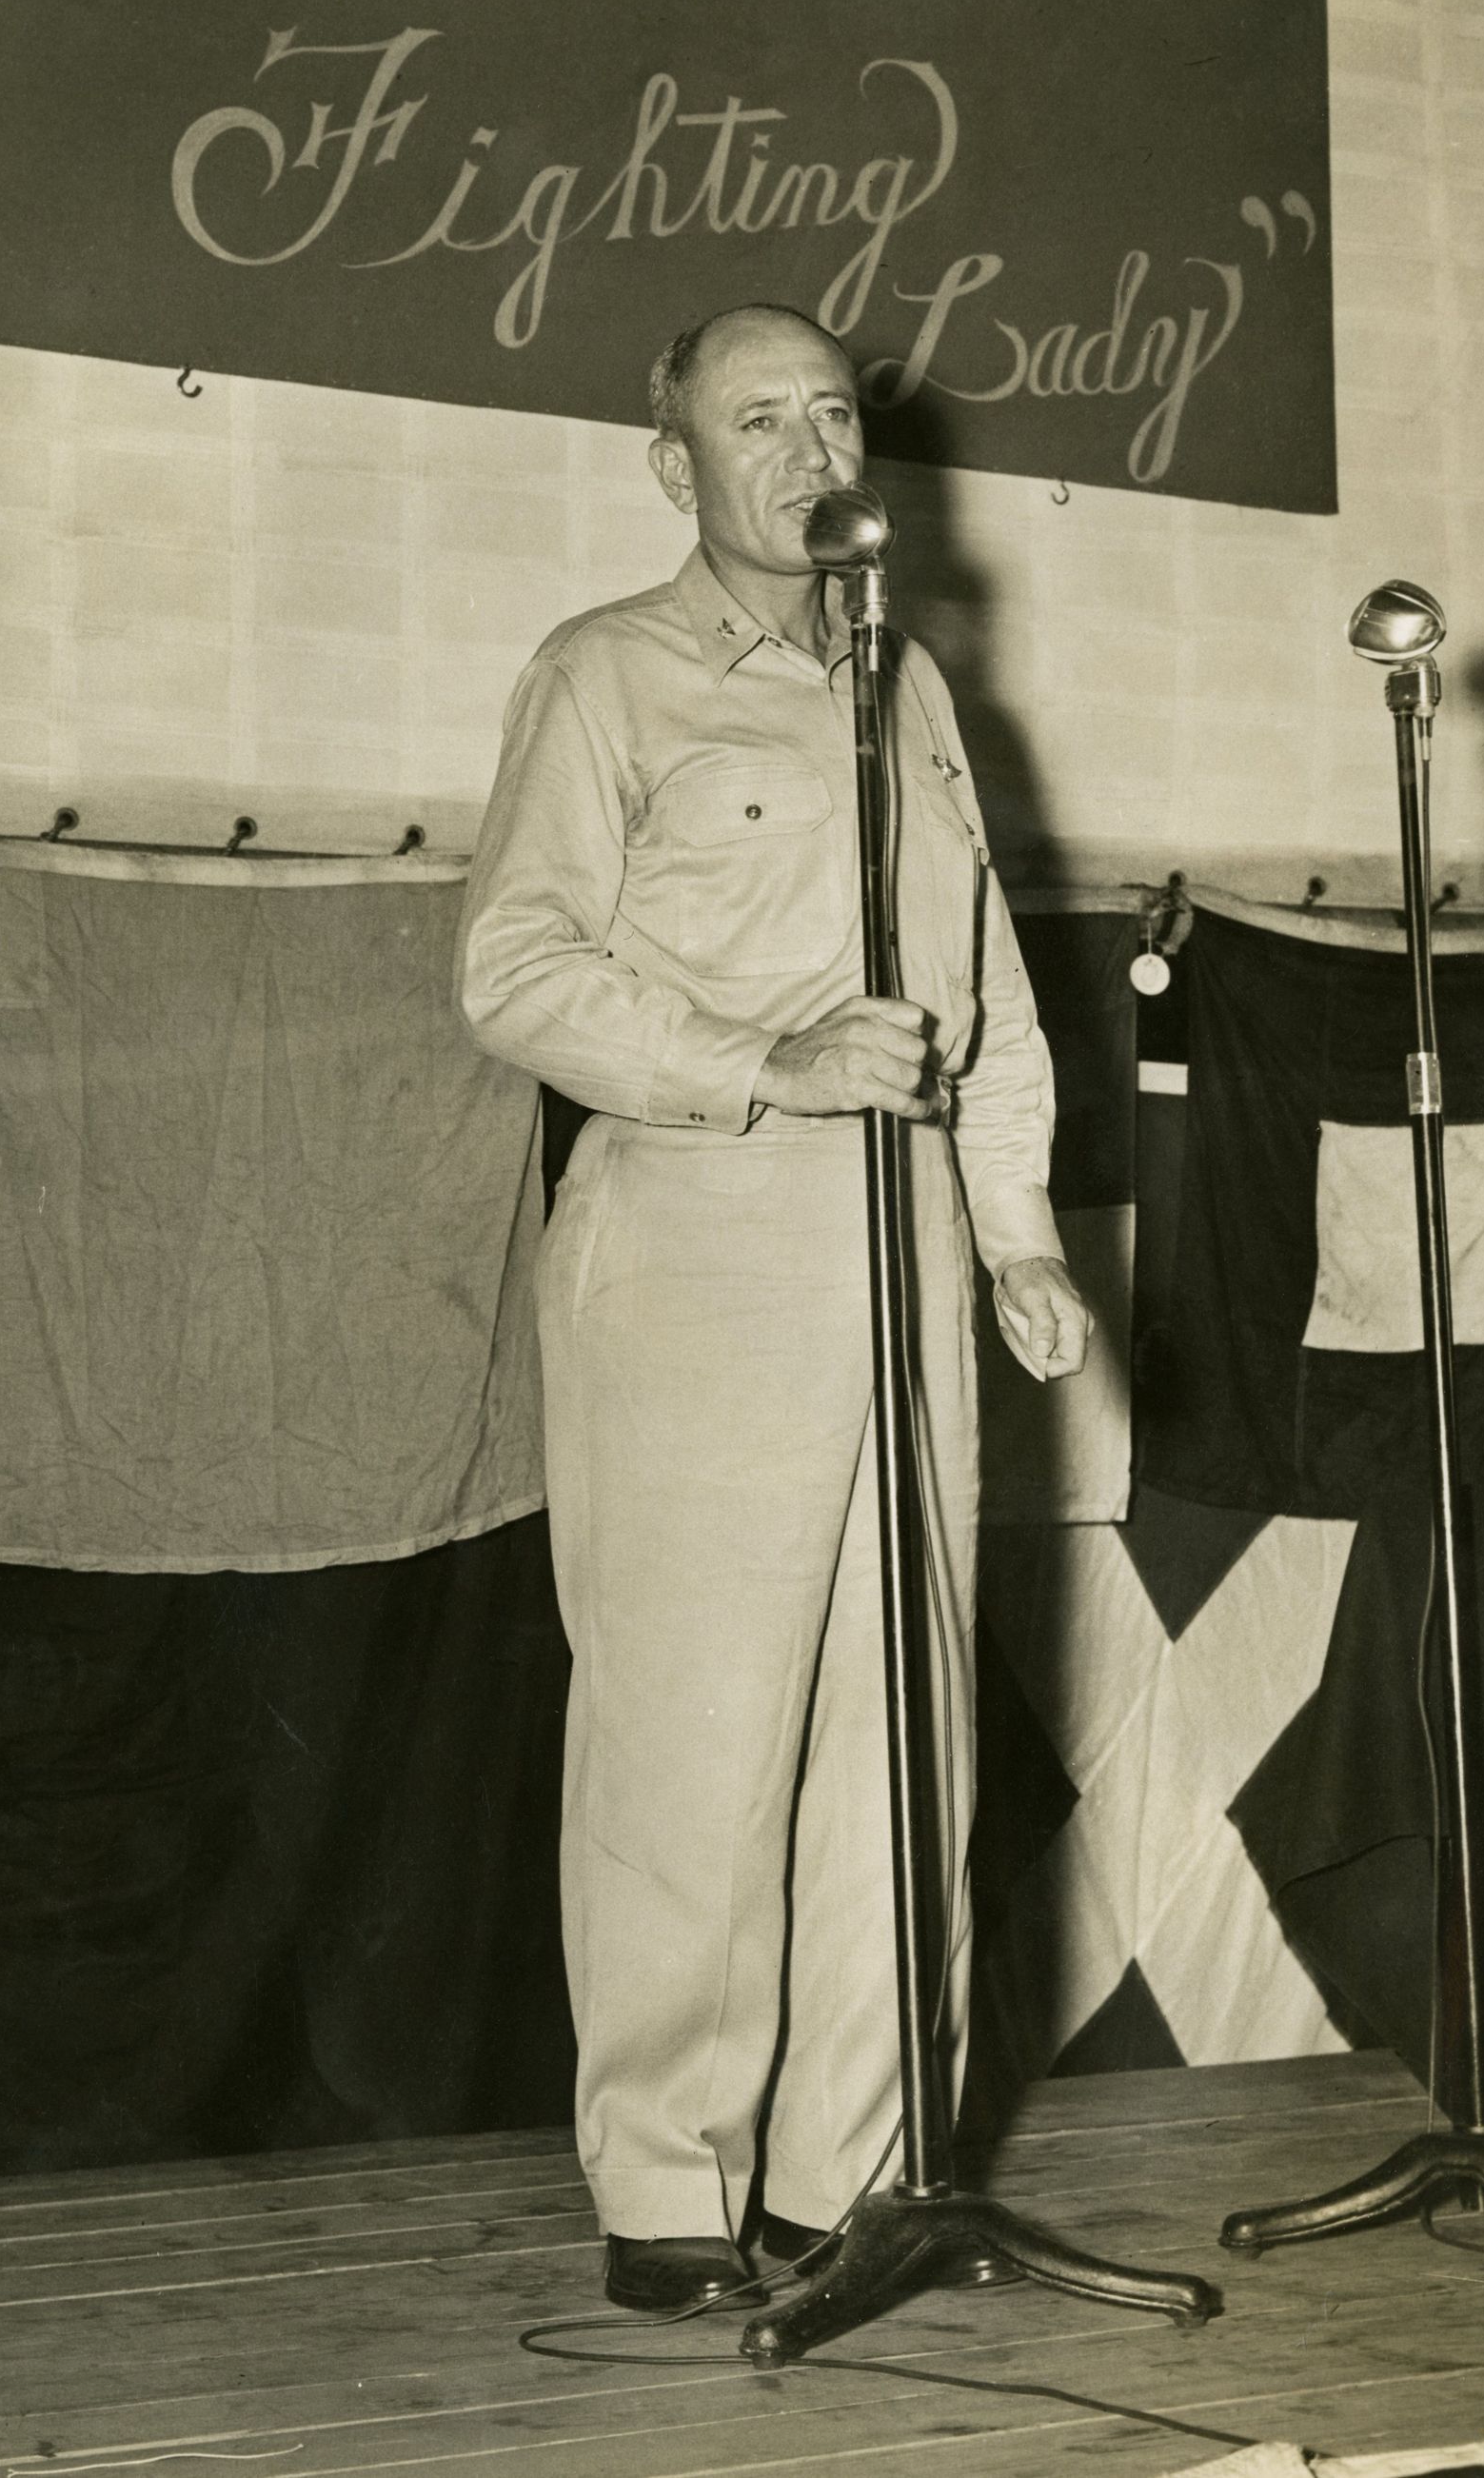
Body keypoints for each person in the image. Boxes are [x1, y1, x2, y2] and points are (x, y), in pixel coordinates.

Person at [457, 302, 1091, 2313]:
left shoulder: (907, 689)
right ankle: (667, 2187)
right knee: (695, 1735)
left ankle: (858, 2178)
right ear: (679, 467)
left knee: (905, 1732)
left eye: (836, 410)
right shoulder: (607, 676)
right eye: (762, 417)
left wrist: (1016, 1231)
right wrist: (762, 1055)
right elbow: (515, 970)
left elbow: (978, 984)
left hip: (903, 1246)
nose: (814, 445)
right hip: (702, 1235)